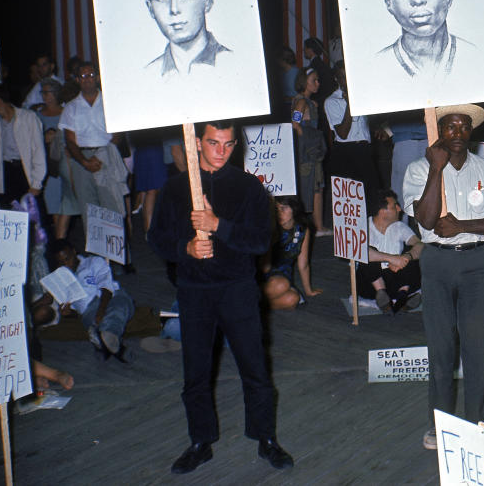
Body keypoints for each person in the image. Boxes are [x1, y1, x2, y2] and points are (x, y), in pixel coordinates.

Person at [148, 120, 293, 474]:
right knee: (195, 373)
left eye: (228, 145)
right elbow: (156, 238)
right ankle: (200, 442)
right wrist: (185, 248)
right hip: (194, 291)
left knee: (255, 368)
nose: (221, 152)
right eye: (213, 143)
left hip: (238, 289)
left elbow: (261, 241)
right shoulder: (176, 188)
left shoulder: (249, 188)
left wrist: (217, 226)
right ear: (197, 142)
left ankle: (266, 439)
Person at [402, 104, 484, 449]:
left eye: (463, 126)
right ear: (439, 131)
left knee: (478, 346)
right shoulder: (418, 168)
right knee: (441, 349)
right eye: (449, 127)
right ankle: (439, 427)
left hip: (477, 262)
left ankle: (478, 424)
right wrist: (436, 170)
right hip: (436, 263)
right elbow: (424, 219)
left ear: (471, 131)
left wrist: (462, 226)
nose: (457, 133)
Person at [58, 62, 129, 234]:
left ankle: (117, 259)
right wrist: (84, 161)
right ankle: (98, 259)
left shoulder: (110, 103)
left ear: (97, 78)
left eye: (91, 75)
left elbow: (118, 133)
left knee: (113, 210)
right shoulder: (71, 107)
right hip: (82, 162)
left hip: (106, 158)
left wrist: (102, 156)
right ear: (77, 80)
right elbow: (70, 140)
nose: (87, 80)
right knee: (90, 212)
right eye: (83, 76)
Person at [139, 0, 230, 80]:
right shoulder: (145, 77)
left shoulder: (234, 64)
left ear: (208, 1)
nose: (174, 9)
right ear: (151, 9)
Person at [40, 239, 136, 360]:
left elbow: (106, 286)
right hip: (89, 310)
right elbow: (77, 312)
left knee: (119, 307)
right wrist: (69, 313)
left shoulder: (93, 262)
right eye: (61, 263)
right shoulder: (61, 281)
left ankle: (104, 340)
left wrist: (101, 310)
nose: (66, 265)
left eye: (67, 259)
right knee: (91, 320)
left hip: (110, 297)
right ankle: (114, 344)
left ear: (74, 252)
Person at [0, 83, 46, 209]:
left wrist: (37, 184)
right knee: (7, 219)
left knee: (31, 220)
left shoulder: (28, 118)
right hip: (5, 174)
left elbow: (38, 152)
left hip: (25, 173)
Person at [357, 189, 424, 313]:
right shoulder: (362, 226)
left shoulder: (399, 226)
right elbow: (360, 252)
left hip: (395, 278)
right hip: (370, 284)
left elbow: (419, 245)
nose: (399, 209)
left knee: (413, 252)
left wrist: (406, 257)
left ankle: (402, 294)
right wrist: (392, 258)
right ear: (383, 211)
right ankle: (382, 294)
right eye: (395, 206)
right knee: (367, 254)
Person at [325, 64, 380, 197]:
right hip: (346, 152)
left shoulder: (362, 96)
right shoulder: (332, 101)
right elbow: (343, 134)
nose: (346, 80)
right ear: (337, 79)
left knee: (371, 193)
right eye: (342, 77)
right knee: (350, 197)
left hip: (364, 149)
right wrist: (350, 104)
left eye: (348, 76)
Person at [262, 195, 322, 310]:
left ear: (294, 209)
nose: (279, 213)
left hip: (284, 275)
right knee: (282, 285)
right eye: (276, 209)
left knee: (293, 299)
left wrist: (308, 291)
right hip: (265, 275)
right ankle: (246, 300)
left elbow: (303, 265)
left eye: (283, 208)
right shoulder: (269, 228)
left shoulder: (302, 230)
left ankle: (256, 306)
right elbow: (264, 267)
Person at [36, 77, 77, 239]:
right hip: (49, 165)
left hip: (66, 163)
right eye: (43, 92)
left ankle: (61, 240)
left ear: (55, 94)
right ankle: (59, 241)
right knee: (53, 203)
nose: (44, 96)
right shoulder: (37, 116)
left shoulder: (66, 112)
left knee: (67, 203)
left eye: (47, 92)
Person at [291, 68, 328, 234]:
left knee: (315, 187)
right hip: (308, 153)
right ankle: (318, 227)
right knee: (315, 188)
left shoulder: (307, 102)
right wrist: (306, 140)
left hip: (310, 151)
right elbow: (294, 123)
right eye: (314, 80)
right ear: (305, 81)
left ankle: (316, 226)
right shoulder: (302, 102)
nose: (318, 83)